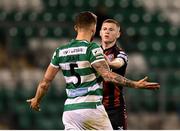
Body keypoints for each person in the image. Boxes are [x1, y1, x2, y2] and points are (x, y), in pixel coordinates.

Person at [26, 11, 160, 130]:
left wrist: (36, 100)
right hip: (91, 108)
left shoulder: (60, 51)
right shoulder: (92, 49)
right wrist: (135, 84)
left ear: (76, 28)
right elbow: (107, 76)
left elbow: (45, 83)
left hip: (70, 111)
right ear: (94, 28)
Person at [100, 19, 128, 130]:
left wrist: (110, 63)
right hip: (95, 106)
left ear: (118, 34)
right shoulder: (93, 51)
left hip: (115, 108)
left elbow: (119, 63)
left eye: (111, 30)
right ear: (100, 32)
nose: (107, 32)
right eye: (104, 29)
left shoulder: (120, 53)